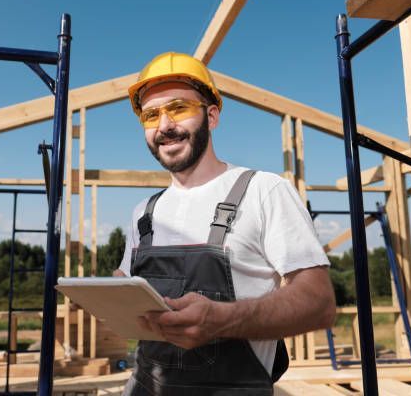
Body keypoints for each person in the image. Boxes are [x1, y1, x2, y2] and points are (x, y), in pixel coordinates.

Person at [112, 52, 336, 396]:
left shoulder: (263, 191)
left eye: (179, 108)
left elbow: (319, 303)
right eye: (151, 115)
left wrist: (222, 320)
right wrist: (113, 294)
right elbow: (131, 298)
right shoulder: (144, 212)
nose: (165, 126)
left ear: (211, 115)